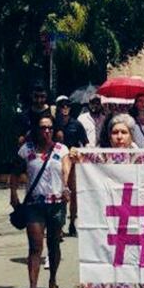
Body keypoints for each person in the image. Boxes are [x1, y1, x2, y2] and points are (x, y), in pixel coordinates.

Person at [93, 113, 144, 288]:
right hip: (109, 223)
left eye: (123, 132)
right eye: (115, 132)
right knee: (109, 273)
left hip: (138, 222)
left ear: (131, 135)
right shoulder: (98, 159)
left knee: (139, 273)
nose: (119, 137)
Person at [10, 115, 70, 288]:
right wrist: (13, 194)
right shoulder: (26, 150)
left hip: (57, 203)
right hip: (34, 204)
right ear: (36, 129)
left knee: (54, 244)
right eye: (43, 127)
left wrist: (67, 186)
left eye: (50, 128)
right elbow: (15, 172)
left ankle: (53, 281)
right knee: (35, 246)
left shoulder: (61, 150)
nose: (46, 131)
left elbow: (66, 169)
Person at [54, 96, 87, 236]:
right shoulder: (53, 124)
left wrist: (79, 153)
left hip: (73, 162)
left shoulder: (76, 124)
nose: (65, 108)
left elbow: (85, 143)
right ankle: (59, 225)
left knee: (73, 194)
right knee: (59, 193)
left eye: (67, 105)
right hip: (56, 162)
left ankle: (73, 223)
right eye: (62, 106)